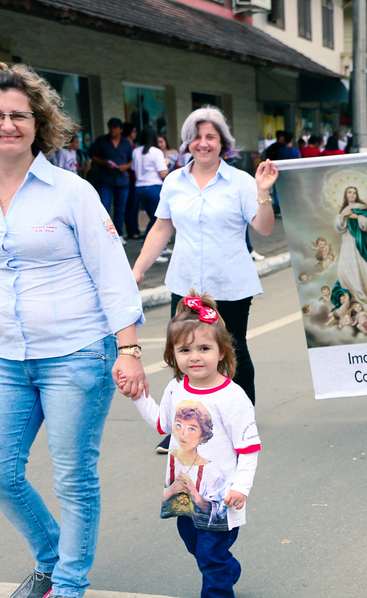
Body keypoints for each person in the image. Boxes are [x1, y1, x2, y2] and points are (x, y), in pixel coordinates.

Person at [0, 61, 146, 598]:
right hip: (4, 356)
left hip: (77, 352)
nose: (7, 124)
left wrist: (128, 348)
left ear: (38, 122)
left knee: (73, 477)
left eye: (18, 115)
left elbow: (112, 272)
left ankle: (71, 585)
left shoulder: (72, 191)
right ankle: (51, 557)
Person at [124, 294, 260, 598]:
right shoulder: (175, 388)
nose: (195, 357)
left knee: (209, 554)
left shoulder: (233, 397)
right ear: (173, 355)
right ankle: (227, 570)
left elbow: (249, 450)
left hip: (219, 498)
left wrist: (241, 488)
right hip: (182, 490)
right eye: (185, 350)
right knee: (195, 545)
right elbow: (162, 424)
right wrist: (138, 397)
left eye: (204, 348)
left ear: (222, 352)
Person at [131, 105, 278, 426]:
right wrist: (138, 270)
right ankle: (187, 426)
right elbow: (161, 228)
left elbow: (264, 228)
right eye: (196, 137)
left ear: (223, 142)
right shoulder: (174, 181)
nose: (203, 143)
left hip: (230, 284)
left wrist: (263, 192)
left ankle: (241, 424)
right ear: (187, 142)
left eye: (211, 136)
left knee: (233, 352)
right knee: (186, 354)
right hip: (185, 285)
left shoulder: (241, 182)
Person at [89, 116, 133, 239]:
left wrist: (125, 166)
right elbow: (93, 156)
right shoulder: (101, 141)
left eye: (115, 128)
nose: (112, 130)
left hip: (122, 180)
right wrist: (104, 162)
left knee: (120, 209)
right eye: (110, 127)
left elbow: (132, 160)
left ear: (121, 129)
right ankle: (105, 235)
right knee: (104, 208)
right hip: (106, 180)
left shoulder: (126, 143)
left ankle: (118, 234)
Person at [132, 127, 169, 239]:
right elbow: (163, 173)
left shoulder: (136, 151)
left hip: (139, 188)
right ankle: (148, 244)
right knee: (157, 219)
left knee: (153, 217)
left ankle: (159, 245)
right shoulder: (156, 151)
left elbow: (133, 169)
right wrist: (166, 163)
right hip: (154, 187)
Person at [123, 122, 141, 238]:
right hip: (129, 178)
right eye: (134, 131)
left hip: (136, 178)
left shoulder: (133, 145)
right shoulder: (125, 145)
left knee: (135, 206)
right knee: (131, 206)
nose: (136, 133)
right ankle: (131, 231)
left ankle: (136, 229)